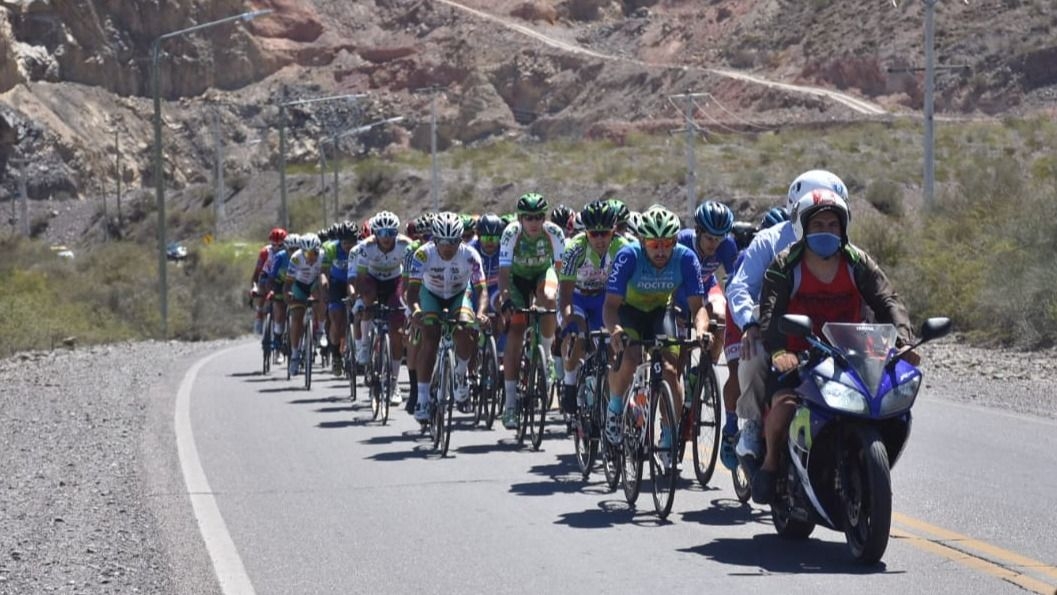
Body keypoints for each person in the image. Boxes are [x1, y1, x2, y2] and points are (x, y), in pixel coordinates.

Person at [750, 188, 917, 504]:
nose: (826, 231)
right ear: (802, 228)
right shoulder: (785, 265)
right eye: (818, 225)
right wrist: (780, 351)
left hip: (853, 353)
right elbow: (770, 312)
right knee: (785, 406)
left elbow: (888, 301)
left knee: (886, 408)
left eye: (832, 225)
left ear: (843, 228)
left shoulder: (858, 262)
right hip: (799, 356)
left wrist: (903, 342)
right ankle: (771, 463)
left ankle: (865, 467)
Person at [727, 169, 849, 463]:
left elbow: (872, 291)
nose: (824, 222)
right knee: (753, 354)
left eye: (832, 215)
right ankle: (753, 422)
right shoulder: (768, 241)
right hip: (776, 329)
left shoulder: (842, 243)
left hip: (829, 329)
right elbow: (740, 287)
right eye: (815, 214)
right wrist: (750, 323)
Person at [603, 207, 708, 454]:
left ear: (675, 241)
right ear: (642, 241)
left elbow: (698, 308)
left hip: (661, 311)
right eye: (653, 244)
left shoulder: (686, 258)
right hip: (629, 312)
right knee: (630, 360)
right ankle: (615, 408)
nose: (661, 251)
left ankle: (669, 436)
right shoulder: (628, 256)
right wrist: (615, 330)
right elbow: (610, 306)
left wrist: (702, 330)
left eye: (667, 243)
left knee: (670, 370)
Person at [716, 207, 789, 470]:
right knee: (740, 368)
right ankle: (734, 426)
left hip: (776, 321)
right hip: (744, 317)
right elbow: (738, 293)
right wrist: (749, 324)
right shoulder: (750, 255)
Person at [406, 212, 490, 422]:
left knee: (464, 328)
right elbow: (412, 292)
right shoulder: (423, 255)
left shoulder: (470, 255)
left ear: (460, 239)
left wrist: (480, 313)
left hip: (459, 295)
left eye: (453, 241)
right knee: (430, 337)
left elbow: (482, 290)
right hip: (431, 294)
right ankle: (422, 399)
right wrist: (416, 311)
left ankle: (461, 375)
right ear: (435, 240)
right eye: (443, 241)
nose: (448, 247)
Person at [496, 192, 566, 429]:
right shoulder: (511, 234)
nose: (534, 222)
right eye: (529, 218)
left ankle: (545, 353)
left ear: (544, 218)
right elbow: (503, 275)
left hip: (542, 274)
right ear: (520, 219)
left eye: (538, 217)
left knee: (549, 298)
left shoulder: (554, 233)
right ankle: (510, 404)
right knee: (516, 329)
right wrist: (506, 300)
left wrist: (558, 301)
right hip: (516, 280)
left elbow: (559, 271)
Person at [557, 200, 629, 414]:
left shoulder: (622, 248)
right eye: (594, 234)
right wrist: (569, 321)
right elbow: (565, 293)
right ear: (585, 232)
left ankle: (607, 403)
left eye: (604, 233)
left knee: (612, 349)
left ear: (613, 230)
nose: (599, 239)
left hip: (603, 298)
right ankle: (570, 384)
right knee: (578, 336)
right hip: (577, 296)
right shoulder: (575, 249)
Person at [352, 211, 412, 404]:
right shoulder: (366, 247)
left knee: (397, 332)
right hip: (372, 281)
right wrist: (361, 300)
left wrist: (409, 304)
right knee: (368, 299)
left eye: (391, 232)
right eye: (382, 232)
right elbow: (360, 278)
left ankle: (393, 383)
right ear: (375, 233)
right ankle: (364, 346)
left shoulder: (406, 245)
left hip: (395, 282)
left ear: (396, 232)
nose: (386, 237)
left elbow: (411, 276)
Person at [320, 222, 359, 376]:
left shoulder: (361, 248)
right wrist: (324, 287)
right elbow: (323, 272)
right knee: (337, 321)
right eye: (345, 243)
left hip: (355, 282)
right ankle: (336, 354)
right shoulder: (331, 249)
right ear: (339, 241)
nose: (348, 246)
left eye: (351, 242)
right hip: (337, 283)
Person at [283, 233, 325, 376]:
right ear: (302, 252)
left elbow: (325, 277)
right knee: (297, 318)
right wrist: (288, 294)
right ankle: (295, 355)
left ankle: (321, 331)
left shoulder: (323, 256)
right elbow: (288, 282)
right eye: (307, 253)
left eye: (314, 253)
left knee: (322, 295)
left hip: (314, 284)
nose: (311, 257)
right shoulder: (296, 258)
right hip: (299, 286)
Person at [251, 227, 286, 335]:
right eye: (273, 245)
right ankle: (259, 313)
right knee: (262, 287)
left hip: (283, 278)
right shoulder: (265, 252)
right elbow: (257, 273)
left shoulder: (288, 252)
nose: (276, 248)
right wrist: (254, 287)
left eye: (280, 245)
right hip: (267, 276)